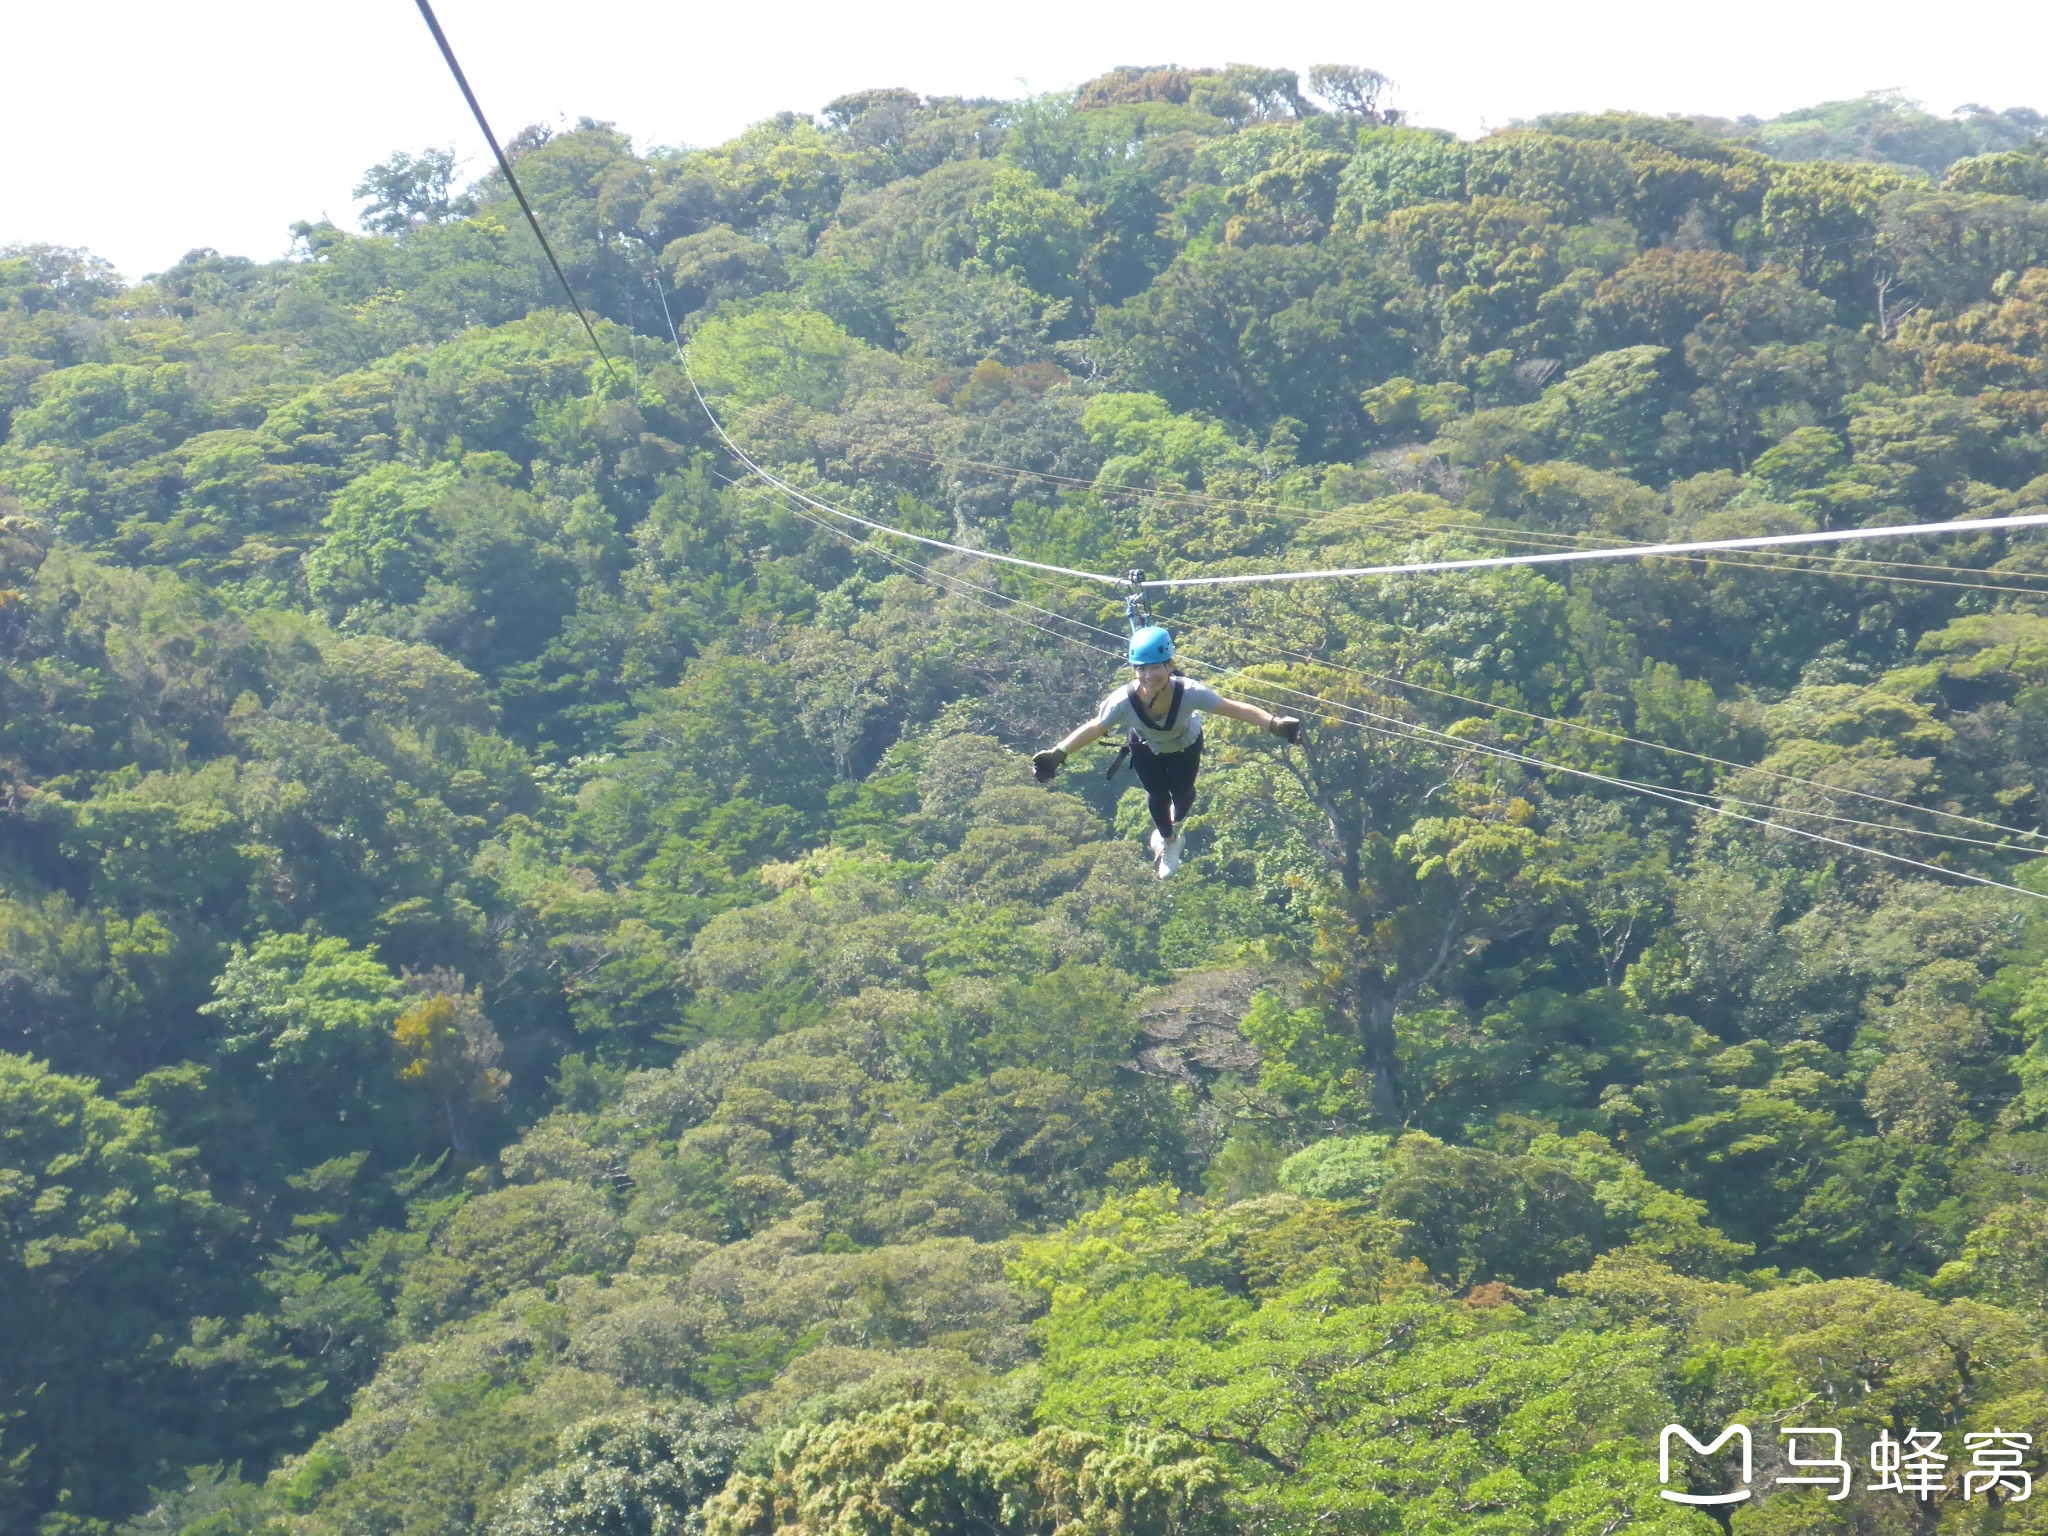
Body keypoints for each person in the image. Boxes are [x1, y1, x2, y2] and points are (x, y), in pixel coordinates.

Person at [1032, 625, 1302, 877]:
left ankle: (1174, 827)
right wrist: (1059, 754)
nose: (1149, 676)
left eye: (1156, 668)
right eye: (1142, 669)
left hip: (1185, 744)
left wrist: (1273, 724)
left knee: (1182, 793)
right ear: (1135, 670)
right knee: (1156, 794)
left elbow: (1233, 708)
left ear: (1170, 665)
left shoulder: (1191, 692)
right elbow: (1094, 728)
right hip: (1145, 745)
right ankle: (1170, 842)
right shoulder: (1122, 701)